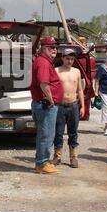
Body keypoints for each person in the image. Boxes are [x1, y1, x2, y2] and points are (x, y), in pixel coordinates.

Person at [30, 36, 64, 174]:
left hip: (43, 104)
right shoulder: (43, 62)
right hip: (46, 105)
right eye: (51, 47)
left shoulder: (43, 61)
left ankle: (41, 161)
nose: (54, 50)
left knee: (44, 134)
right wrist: (50, 100)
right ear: (44, 48)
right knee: (47, 135)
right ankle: (42, 164)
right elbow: (44, 83)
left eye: (55, 47)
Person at [52, 48, 84, 168]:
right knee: (58, 132)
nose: (70, 61)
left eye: (72, 59)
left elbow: (80, 89)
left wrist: (83, 106)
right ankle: (57, 156)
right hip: (60, 105)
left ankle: (73, 157)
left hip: (73, 105)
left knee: (73, 132)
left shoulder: (76, 71)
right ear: (62, 58)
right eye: (67, 58)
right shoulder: (56, 71)